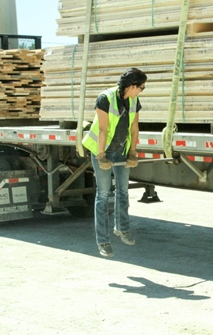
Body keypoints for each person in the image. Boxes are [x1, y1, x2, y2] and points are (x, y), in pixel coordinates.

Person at [83, 68, 147, 257]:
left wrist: (133, 152)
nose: (142, 91)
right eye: (141, 88)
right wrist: (101, 156)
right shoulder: (105, 98)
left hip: (121, 149)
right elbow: (103, 129)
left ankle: (122, 228)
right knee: (103, 196)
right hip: (102, 149)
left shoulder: (134, 100)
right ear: (132, 86)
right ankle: (102, 241)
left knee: (123, 190)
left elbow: (134, 128)